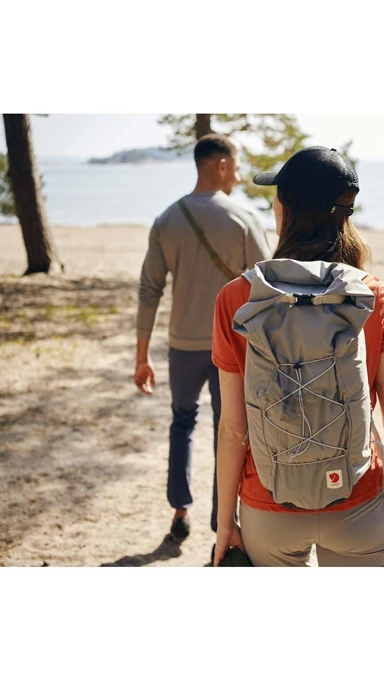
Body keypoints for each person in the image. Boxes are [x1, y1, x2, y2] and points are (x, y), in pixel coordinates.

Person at [210, 146, 384, 566]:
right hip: (358, 504)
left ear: (284, 207)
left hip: (268, 506)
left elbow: (232, 429)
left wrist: (226, 522)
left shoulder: (238, 299)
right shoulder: (375, 298)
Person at [134, 133, 272, 542]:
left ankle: (180, 510)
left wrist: (142, 355)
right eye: (237, 167)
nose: (239, 176)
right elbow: (267, 289)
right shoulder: (244, 218)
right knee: (230, 430)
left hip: (182, 346)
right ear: (222, 165)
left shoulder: (167, 219)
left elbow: (149, 290)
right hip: (232, 348)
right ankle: (222, 522)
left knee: (182, 422)